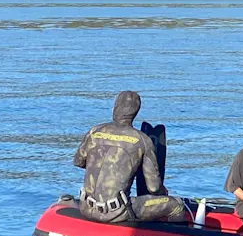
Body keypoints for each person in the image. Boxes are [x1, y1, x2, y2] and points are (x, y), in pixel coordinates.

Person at [74, 90, 189, 224]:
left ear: (114, 108)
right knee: (176, 205)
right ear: (135, 113)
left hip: (86, 207)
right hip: (116, 212)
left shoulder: (94, 132)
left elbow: (78, 161)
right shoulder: (142, 141)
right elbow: (153, 187)